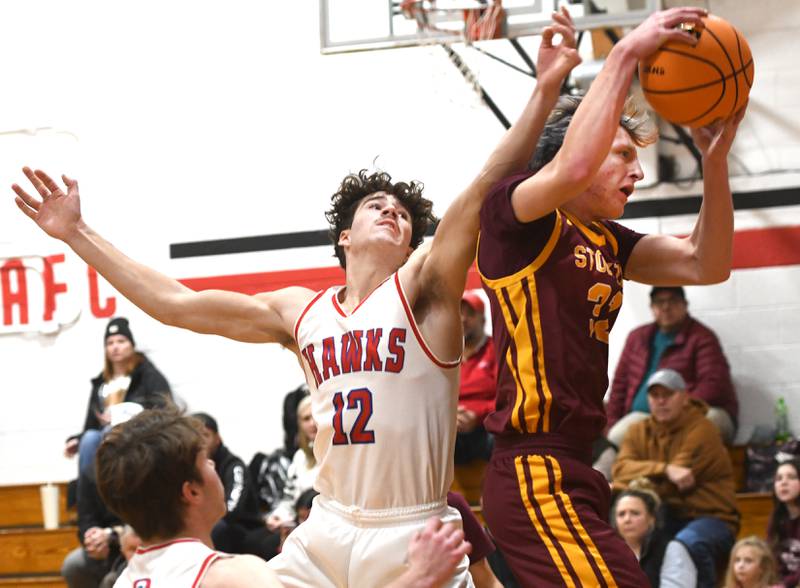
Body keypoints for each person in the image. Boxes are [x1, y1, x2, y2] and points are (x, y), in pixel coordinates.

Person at [12, 8, 581, 585]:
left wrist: (544, 90)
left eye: (403, 214)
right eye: (375, 207)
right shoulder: (298, 311)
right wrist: (76, 235)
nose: (391, 212)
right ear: (344, 236)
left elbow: (485, 186)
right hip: (327, 528)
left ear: (411, 241)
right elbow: (175, 304)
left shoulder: (426, 288)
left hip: (410, 525)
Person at [474, 4, 746, 584]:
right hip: (532, 464)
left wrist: (714, 163)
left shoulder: (606, 239)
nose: (637, 174)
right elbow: (571, 168)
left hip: (579, 463)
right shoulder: (516, 214)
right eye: (624, 155)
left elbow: (708, 264)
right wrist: (624, 53)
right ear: (585, 146)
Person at [95, 408, 471, 588]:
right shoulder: (230, 575)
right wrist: (421, 575)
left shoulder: (127, 578)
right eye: (204, 462)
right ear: (191, 491)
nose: (213, 465)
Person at [612, 368, 740, 588]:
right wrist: (664, 469)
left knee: (688, 542)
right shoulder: (637, 431)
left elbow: (677, 482)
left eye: (668, 395)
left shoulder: (703, 429)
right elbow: (621, 468)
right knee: (632, 535)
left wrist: (627, 483)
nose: (661, 401)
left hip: (711, 517)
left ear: (683, 396)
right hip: (668, 514)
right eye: (655, 395)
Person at [606, 285, 737, 445]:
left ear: (685, 305)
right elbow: (619, 386)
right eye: (659, 302)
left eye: (672, 301)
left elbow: (714, 384)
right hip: (643, 418)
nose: (666, 307)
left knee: (708, 423)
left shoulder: (702, 337)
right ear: (652, 308)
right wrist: (611, 423)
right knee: (616, 436)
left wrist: (675, 412)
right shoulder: (636, 338)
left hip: (690, 415)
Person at [66, 317, 172, 487]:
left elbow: (165, 409)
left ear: (131, 345)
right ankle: (90, 502)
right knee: (89, 438)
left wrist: (123, 414)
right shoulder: (101, 383)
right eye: (110, 343)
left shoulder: (148, 375)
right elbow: (91, 426)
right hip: (102, 438)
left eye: (121, 341)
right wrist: (77, 440)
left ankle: (115, 494)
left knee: (110, 432)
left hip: (137, 437)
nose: (115, 346)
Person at [191, 412, 263, 554]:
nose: (200, 442)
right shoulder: (190, 467)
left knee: (219, 528)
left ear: (218, 438)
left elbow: (233, 508)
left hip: (242, 526)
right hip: (211, 525)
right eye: (194, 437)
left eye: (205, 435)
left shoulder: (234, 466)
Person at [452, 290, 497, 503]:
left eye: (469, 313)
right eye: (458, 313)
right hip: (452, 427)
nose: (462, 318)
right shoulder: (446, 354)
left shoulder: (496, 350)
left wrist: (477, 415)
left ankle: (497, 501)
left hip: (485, 427)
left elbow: (509, 398)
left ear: (483, 318)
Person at [265, 395, 320, 531]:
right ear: (299, 424)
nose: (312, 423)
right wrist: (278, 516)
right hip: (297, 521)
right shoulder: (300, 457)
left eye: (315, 416)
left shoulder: (334, 454)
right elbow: (289, 498)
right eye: (306, 419)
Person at [768, 459, 800, 587]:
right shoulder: (776, 518)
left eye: (791, 477)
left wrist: (785, 585)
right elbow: (770, 557)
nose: (783, 482)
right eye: (778, 478)